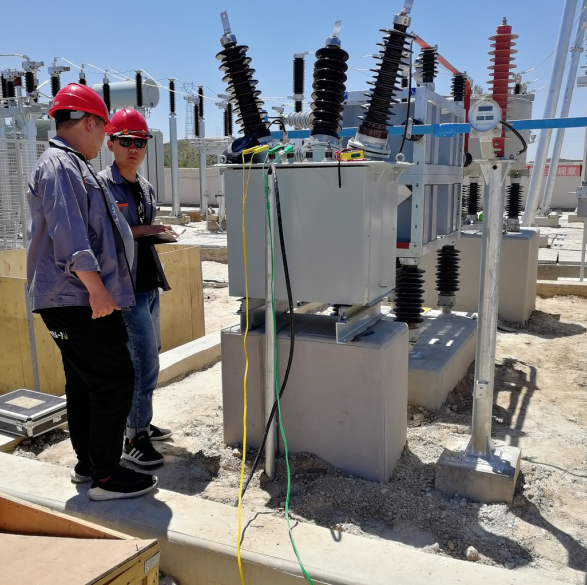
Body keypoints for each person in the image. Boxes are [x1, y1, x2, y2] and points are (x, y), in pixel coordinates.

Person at [26, 84, 157, 501]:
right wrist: (97, 289)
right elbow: (70, 234)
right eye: (103, 129)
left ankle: (89, 464)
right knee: (116, 379)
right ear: (88, 123)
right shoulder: (61, 166)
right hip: (76, 297)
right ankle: (107, 476)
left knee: (85, 382)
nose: (105, 138)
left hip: (73, 296)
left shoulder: (72, 164)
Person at [99, 109, 173, 467]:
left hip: (147, 284)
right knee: (142, 363)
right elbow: (104, 235)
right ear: (110, 143)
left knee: (150, 355)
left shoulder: (145, 187)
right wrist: (148, 230)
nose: (133, 148)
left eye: (140, 142)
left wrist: (157, 231)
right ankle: (134, 438)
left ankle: (141, 421)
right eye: (125, 141)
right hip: (125, 290)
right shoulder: (101, 186)